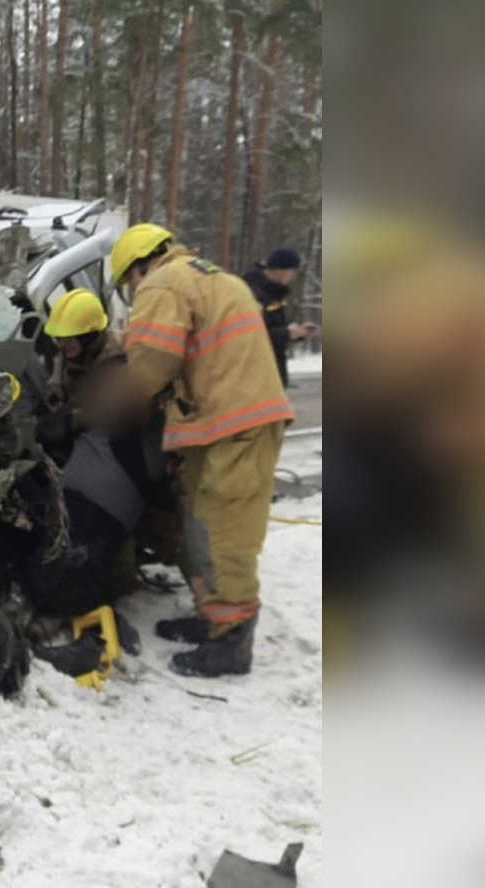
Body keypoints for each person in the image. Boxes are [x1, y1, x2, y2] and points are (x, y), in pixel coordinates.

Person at [109, 223, 296, 676]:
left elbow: (152, 359)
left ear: (137, 268)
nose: (133, 297)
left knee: (222, 527)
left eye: (126, 288)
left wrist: (116, 405)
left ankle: (231, 643)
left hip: (234, 423)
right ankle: (212, 619)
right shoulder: (215, 277)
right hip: (226, 421)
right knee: (200, 517)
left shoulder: (162, 282)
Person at [242, 246, 311, 387]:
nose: (294, 276)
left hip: (273, 368)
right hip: (256, 371)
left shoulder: (276, 292)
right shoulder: (254, 293)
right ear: (279, 270)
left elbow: (275, 326)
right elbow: (253, 334)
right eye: (292, 271)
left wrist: (298, 332)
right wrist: (286, 333)